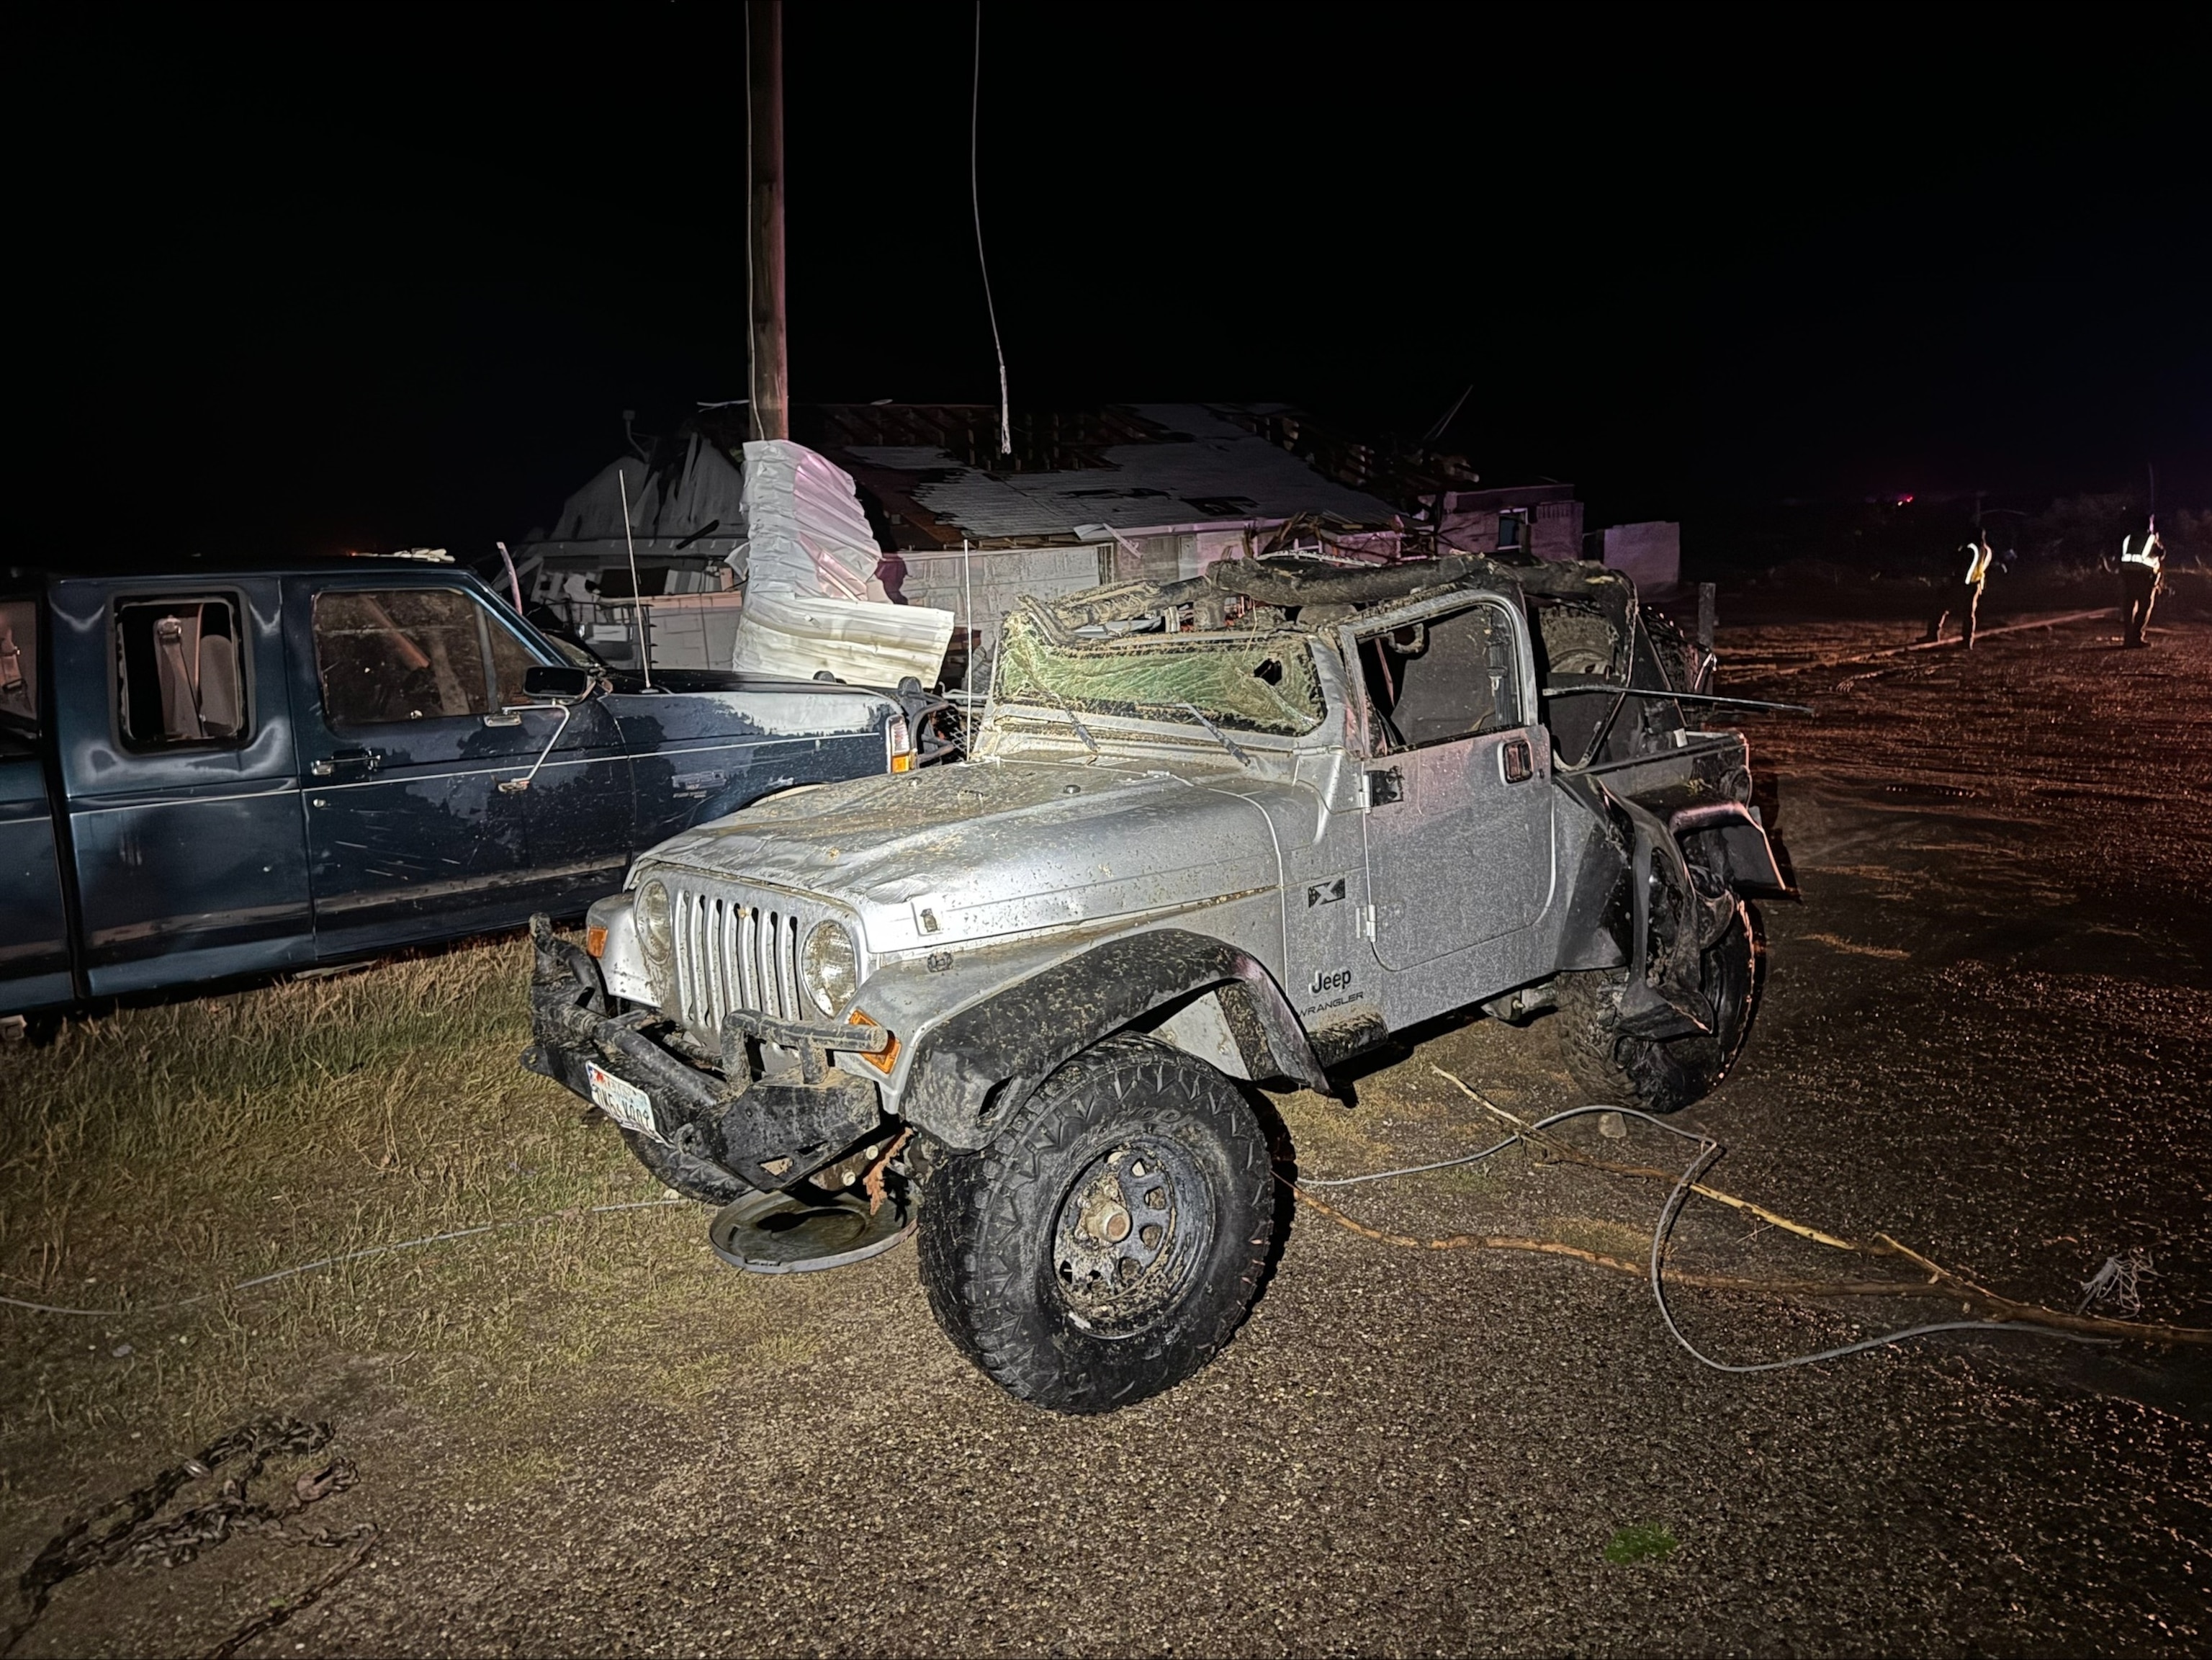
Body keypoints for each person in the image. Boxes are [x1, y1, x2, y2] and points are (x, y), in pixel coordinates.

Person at [1926, 529, 1995, 648]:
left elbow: (1958, 564)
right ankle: (1968, 641)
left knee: (1941, 606)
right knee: (1969, 613)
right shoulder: (1987, 551)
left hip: (1962, 584)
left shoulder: (1970, 549)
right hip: (1977, 585)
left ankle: (1933, 634)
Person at [2119, 517, 2164, 648]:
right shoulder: (2150, 539)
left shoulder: (2128, 538)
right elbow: (2160, 553)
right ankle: (2137, 637)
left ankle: (2128, 638)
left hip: (2128, 575)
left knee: (2129, 607)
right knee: (2144, 607)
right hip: (2144, 576)